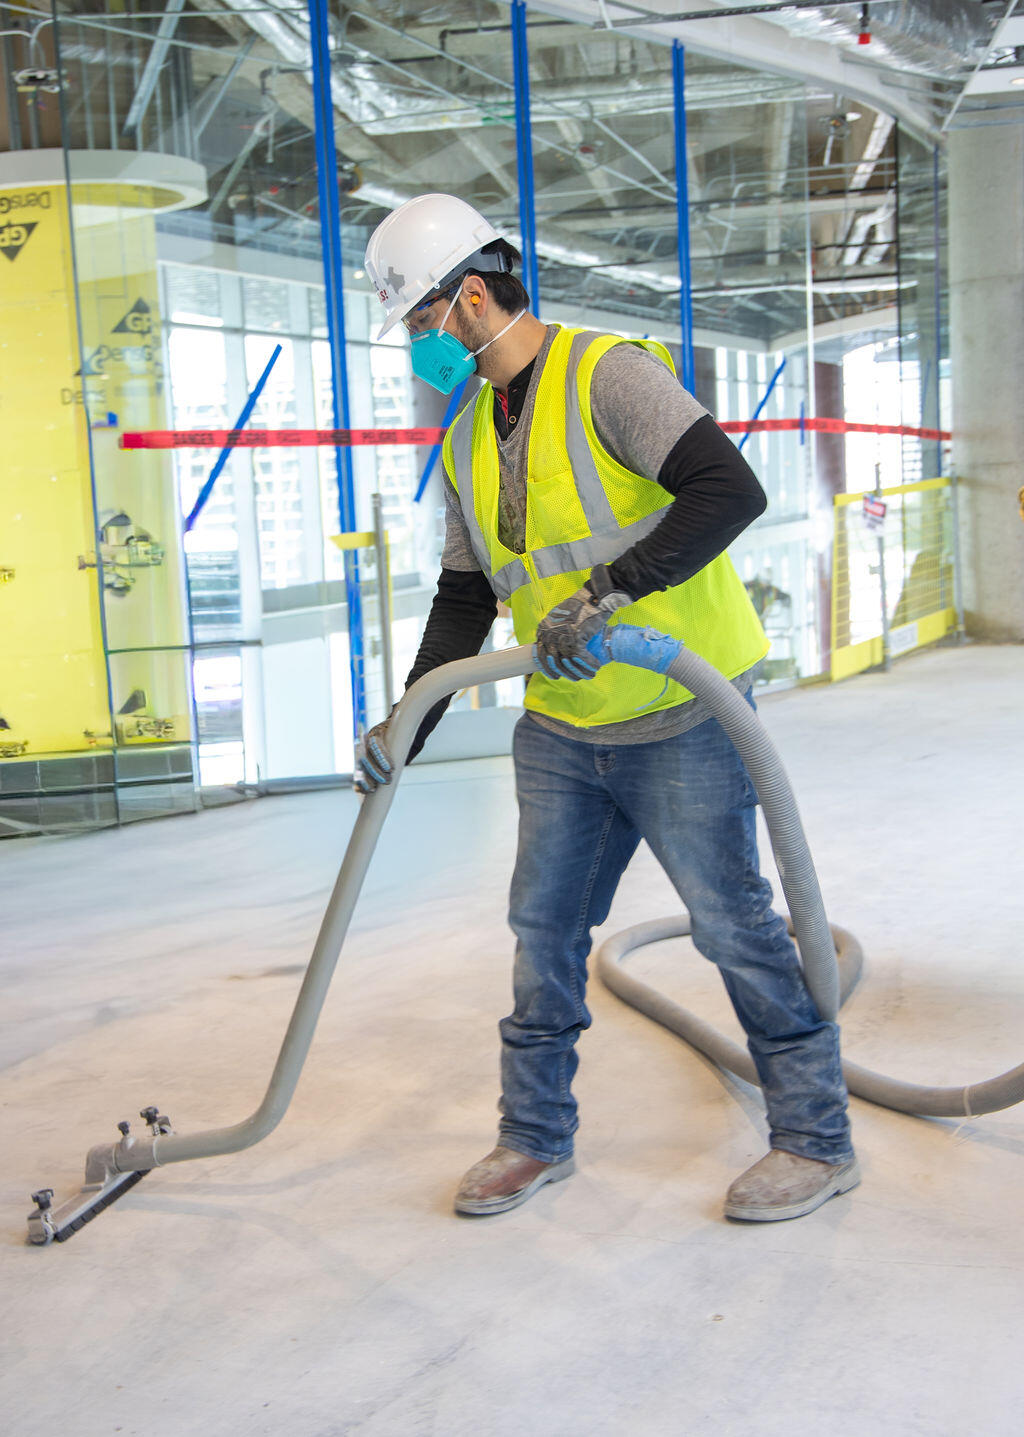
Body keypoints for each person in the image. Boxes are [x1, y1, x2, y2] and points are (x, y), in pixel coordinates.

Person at [359, 193, 858, 1223]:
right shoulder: (461, 443)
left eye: (419, 322)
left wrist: (611, 593)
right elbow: (465, 598)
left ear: (474, 297)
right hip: (560, 730)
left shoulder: (607, 375)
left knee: (734, 928)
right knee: (542, 934)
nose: (418, 347)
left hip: (682, 713)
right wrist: (405, 723)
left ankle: (816, 1138)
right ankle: (532, 1137)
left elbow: (729, 489)